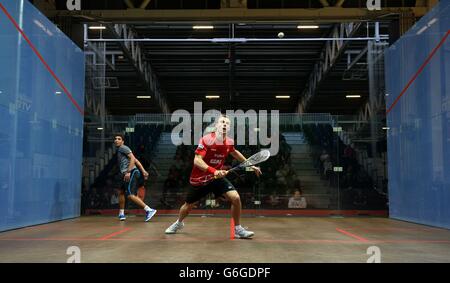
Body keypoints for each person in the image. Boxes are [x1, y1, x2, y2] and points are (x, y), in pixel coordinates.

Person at [164, 115, 262, 239]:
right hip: (200, 179)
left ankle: (238, 229)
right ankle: (178, 223)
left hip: (216, 178)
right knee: (188, 206)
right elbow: (197, 160)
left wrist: (251, 165)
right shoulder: (206, 140)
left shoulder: (229, 142)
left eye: (227, 123)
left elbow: (234, 152)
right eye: (222, 122)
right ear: (216, 126)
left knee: (235, 198)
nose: (225, 124)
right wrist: (213, 171)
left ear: (230, 127)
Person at [114, 133, 157, 222]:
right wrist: (144, 171)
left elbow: (133, 159)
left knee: (130, 195)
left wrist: (129, 172)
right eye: (115, 139)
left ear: (122, 141)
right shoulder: (120, 150)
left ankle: (149, 210)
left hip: (131, 172)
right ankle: (121, 213)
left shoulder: (123, 148)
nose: (116, 140)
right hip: (126, 173)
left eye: (119, 139)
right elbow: (136, 160)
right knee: (121, 192)